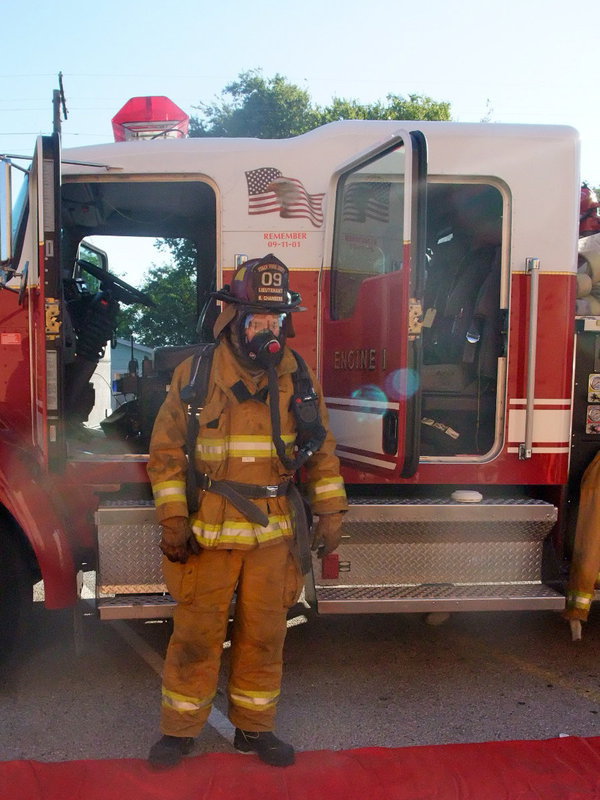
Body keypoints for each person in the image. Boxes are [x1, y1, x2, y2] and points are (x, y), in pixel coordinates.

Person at [146, 254, 348, 769]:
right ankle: (179, 731)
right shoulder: (197, 374)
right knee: (195, 634)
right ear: (235, 319)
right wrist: (172, 518)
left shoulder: (297, 376)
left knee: (265, 635)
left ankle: (254, 730)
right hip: (209, 533)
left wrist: (330, 511)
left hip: (273, 535)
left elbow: (321, 452)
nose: (267, 330)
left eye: (275, 320)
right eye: (257, 319)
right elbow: (167, 452)